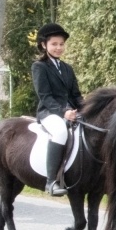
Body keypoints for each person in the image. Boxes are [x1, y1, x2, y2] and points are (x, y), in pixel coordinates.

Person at [31, 23, 84, 197]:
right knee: (60, 132)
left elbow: (76, 95)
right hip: (49, 112)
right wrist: (63, 112)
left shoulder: (67, 68)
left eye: (61, 44)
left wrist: (86, 109)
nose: (58, 47)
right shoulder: (39, 67)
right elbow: (45, 96)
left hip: (70, 111)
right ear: (44, 45)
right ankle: (51, 181)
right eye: (54, 44)